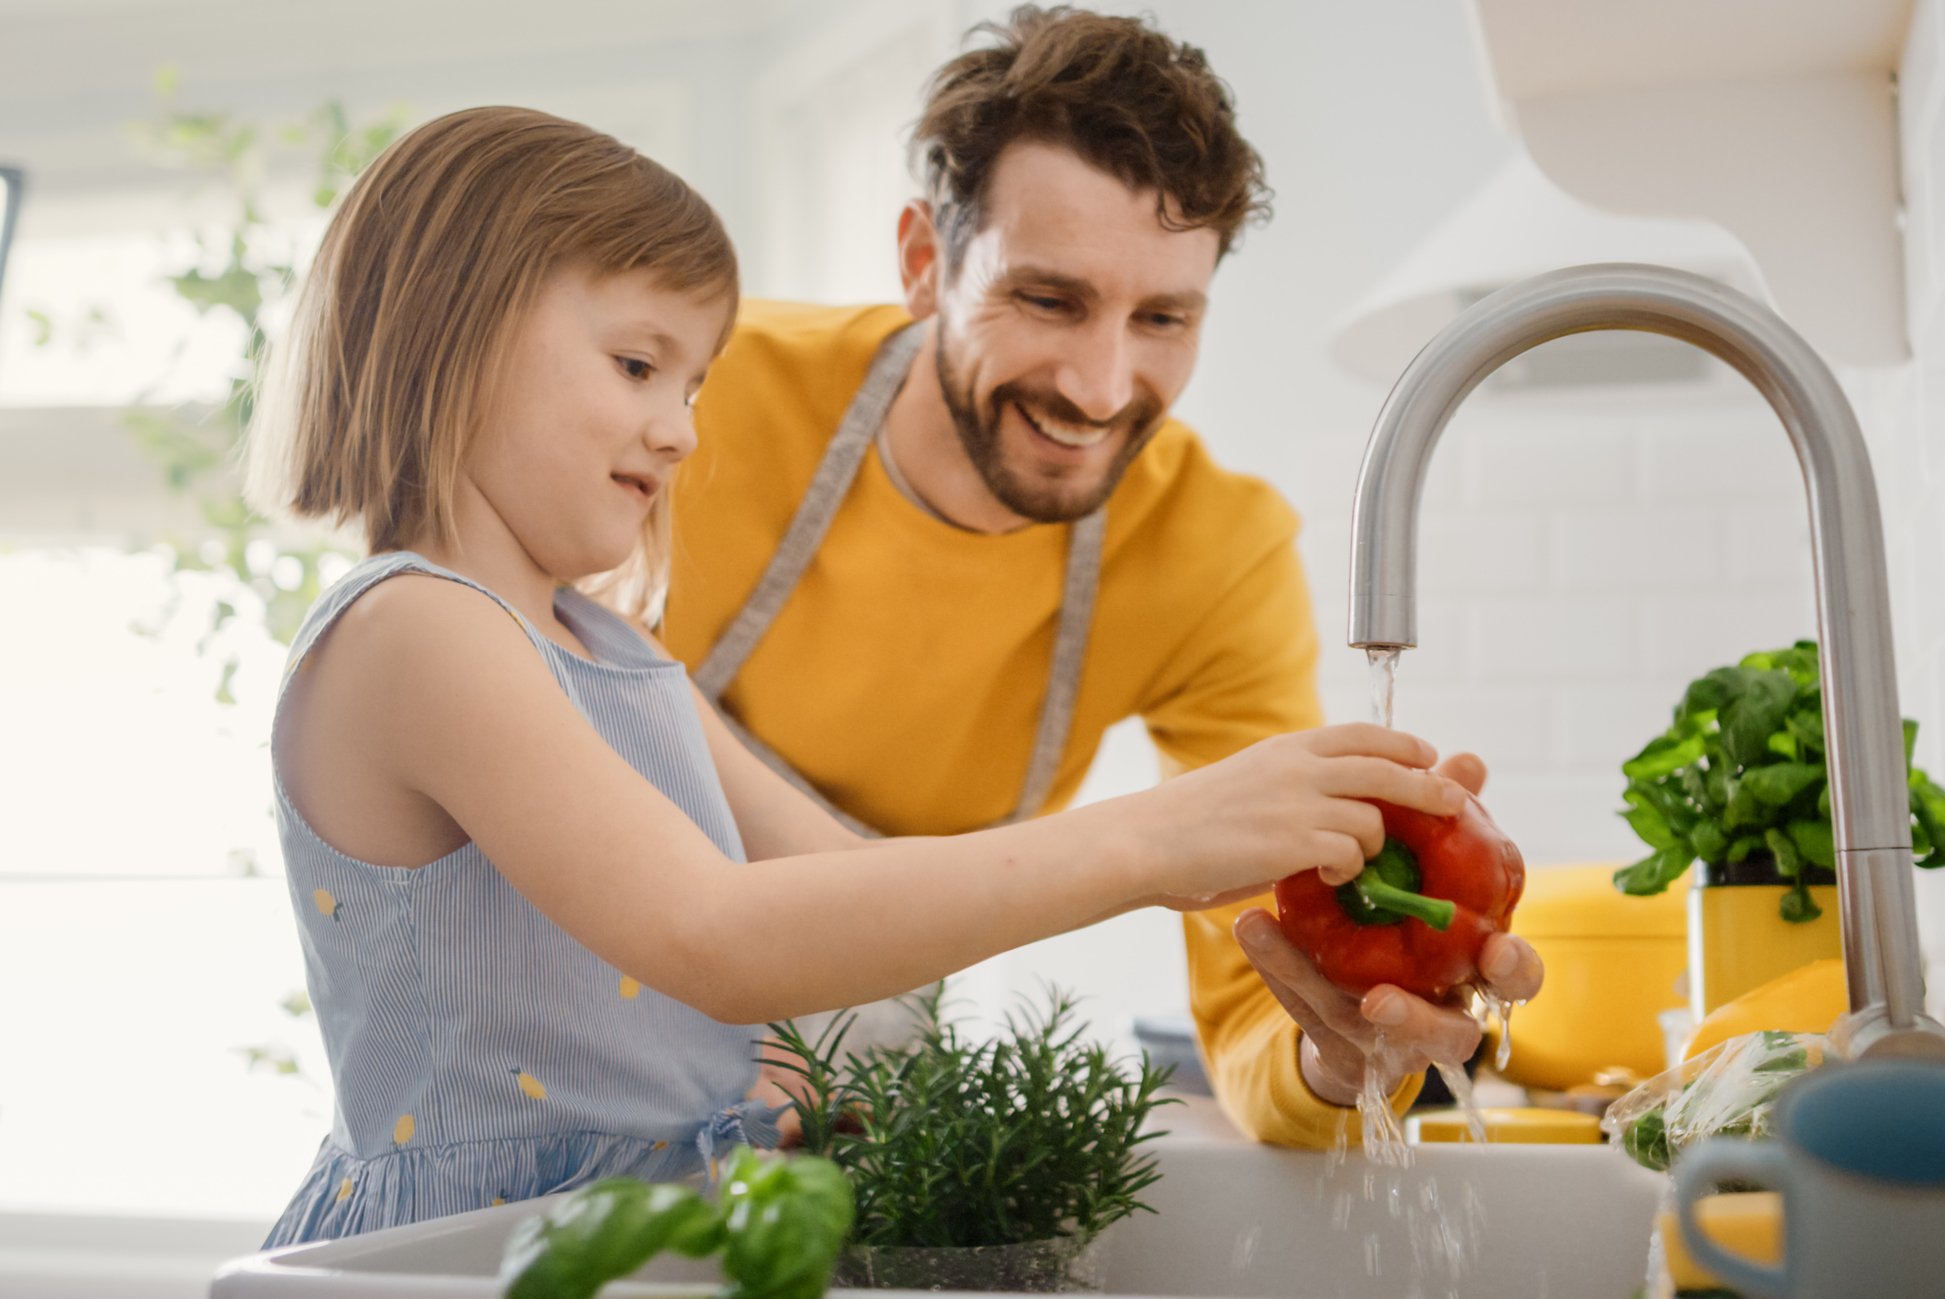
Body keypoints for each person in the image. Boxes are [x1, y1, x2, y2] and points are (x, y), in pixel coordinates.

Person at [244, 104, 1466, 1246]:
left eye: (693, 384)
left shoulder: (609, 653)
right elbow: (714, 934)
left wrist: (1324, 885)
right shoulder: (420, 631)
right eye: (635, 367)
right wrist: (1149, 842)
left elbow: (852, 897)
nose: (681, 427)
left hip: (643, 1242)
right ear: (454, 331)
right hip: (455, 1255)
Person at [660, 3, 1541, 1150]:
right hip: (557, 1058)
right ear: (927, 261)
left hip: (836, 1117)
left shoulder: (1210, 553)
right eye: (1048, 299)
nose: (1099, 385)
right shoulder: (701, 397)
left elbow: (1246, 1009)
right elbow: (546, 694)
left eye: (1162, 316)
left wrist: (1338, 1055)